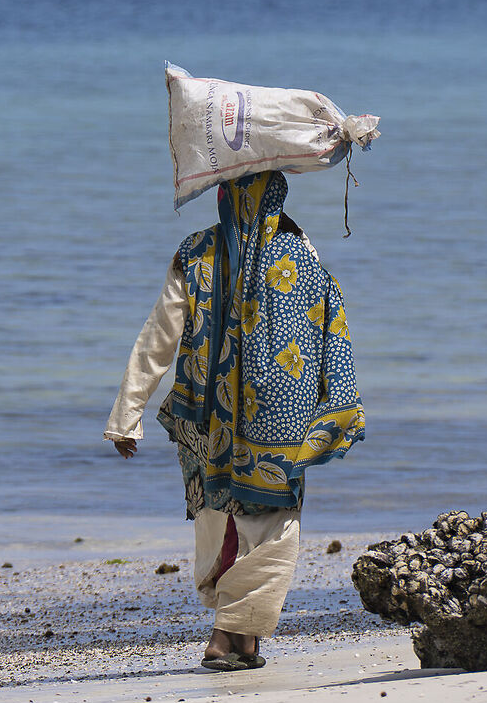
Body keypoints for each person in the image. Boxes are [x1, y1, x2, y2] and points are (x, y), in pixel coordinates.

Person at [104, 169, 363, 670]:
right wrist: (337, 405)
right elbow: (332, 331)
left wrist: (127, 414)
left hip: (211, 420)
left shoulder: (196, 253)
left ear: (222, 198)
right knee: (273, 529)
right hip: (281, 424)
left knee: (222, 522)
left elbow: (159, 335)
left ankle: (245, 643)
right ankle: (225, 638)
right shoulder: (302, 256)